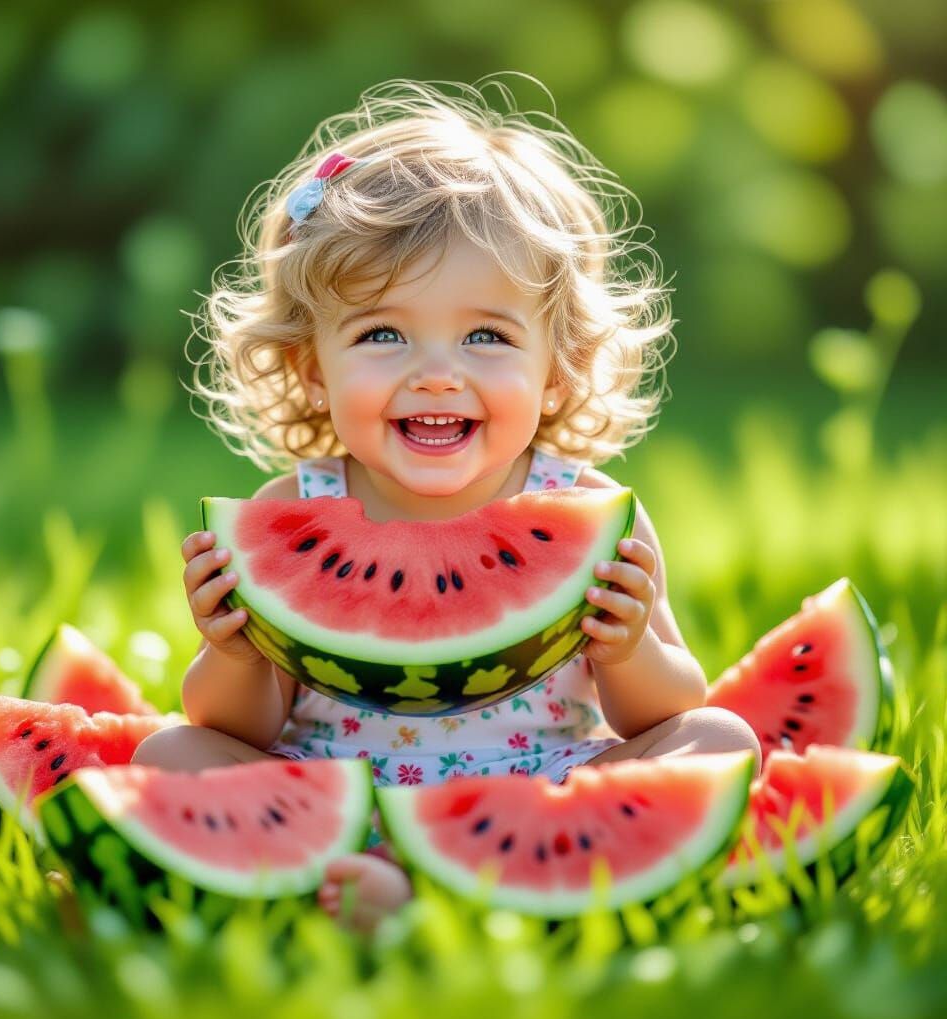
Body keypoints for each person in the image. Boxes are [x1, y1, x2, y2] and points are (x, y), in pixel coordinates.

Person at [132, 75, 761, 931]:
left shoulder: (587, 508)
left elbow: (665, 708)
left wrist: (627, 649)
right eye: (382, 333)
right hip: (341, 795)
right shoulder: (291, 511)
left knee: (721, 737)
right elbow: (235, 727)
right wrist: (233, 655)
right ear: (313, 367)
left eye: (487, 336)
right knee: (169, 750)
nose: (436, 371)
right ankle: (400, 881)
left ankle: (415, 891)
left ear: (559, 367)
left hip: (543, 796)